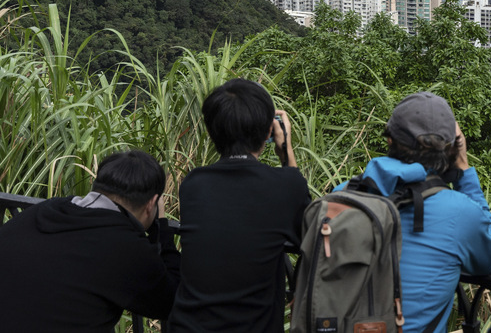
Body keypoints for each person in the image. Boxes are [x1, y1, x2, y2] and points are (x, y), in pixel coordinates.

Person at [335, 91, 491, 333]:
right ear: (451, 149)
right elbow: (490, 260)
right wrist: (464, 169)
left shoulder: (343, 194)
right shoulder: (461, 213)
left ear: (389, 140)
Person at [169, 78, 311, 333]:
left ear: (212, 131)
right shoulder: (286, 184)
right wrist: (286, 152)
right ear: (269, 132)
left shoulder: (193, 184)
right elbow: (306, 236)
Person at [0, 149, 180, 331]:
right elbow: (174, 300)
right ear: (151, 204)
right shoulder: (125, 247)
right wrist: (162, 228)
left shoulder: (44, 211)